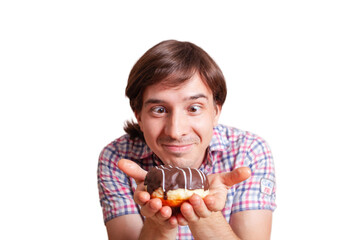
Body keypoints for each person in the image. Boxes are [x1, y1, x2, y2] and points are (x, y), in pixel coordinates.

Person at [97, 40, 276, 240]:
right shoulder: (117, 158)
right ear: (138, 115)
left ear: (215, 111)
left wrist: (203, 208)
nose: (176, 131)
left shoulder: (249, 151)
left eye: (193, 108)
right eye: (159, 110)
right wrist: (160, 225)